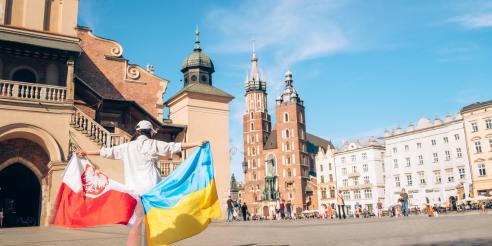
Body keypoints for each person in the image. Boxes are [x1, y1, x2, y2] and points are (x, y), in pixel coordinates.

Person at [76, 120, 205, 246]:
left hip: (134, 193)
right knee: (157, 224)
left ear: (137, 132)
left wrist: (86, 152)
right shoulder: (152, 144)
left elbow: (106, 152)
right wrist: (196, 143)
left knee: (136, 226)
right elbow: (173, 146)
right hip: (152, 192)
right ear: (149, 132)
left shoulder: (127, 147)